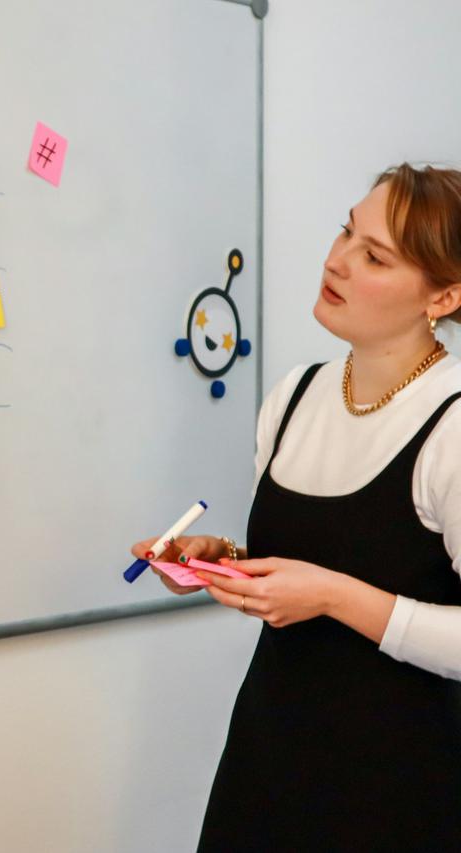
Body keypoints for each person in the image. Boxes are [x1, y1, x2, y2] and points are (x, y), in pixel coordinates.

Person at [134, 163, 461, 851]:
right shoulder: (295, 395)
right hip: (268, 760)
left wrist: (334, 596)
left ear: (445, 295)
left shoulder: (453, 425)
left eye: (374, 256)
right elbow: (334, 553)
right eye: (347, 230)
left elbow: (340, 583)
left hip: (399, 786)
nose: (337, 259)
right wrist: (225, 561)